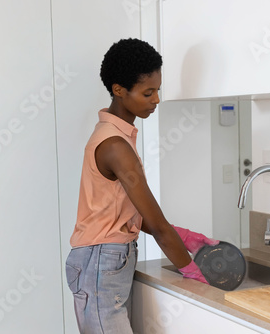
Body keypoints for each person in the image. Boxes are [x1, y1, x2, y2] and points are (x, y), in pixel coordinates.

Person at [65, 38, 219, 334]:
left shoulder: (116, 137)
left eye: (158, 90)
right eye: (148, 92)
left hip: (104, 260)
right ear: (119, 91)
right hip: (100, 260)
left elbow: (129, 212)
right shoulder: (115, 146)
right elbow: (158, 225)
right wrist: (191, 270)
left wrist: (185, 236)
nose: (156, 99)